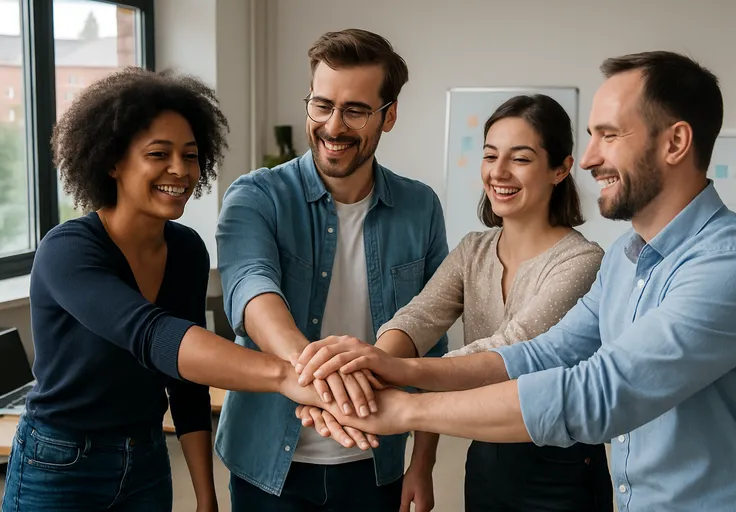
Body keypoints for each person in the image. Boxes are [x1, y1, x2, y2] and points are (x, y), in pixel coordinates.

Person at [294, 51, 736, 512]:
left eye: (609, 135)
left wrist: (402, 409)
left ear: (675, 143)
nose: (587, 159)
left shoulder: (735, 267)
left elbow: (599, 393)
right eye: (590, 136)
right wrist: (390, 368)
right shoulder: (626, 261)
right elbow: (541, 354)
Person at [1, 68, 324, 512]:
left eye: (190, 156)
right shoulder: (68, 251)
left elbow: (185, 384)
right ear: (112, 161)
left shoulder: (186, 250)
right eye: (159, 153)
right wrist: (287, 376)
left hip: (147, 460)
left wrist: (205, 495)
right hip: (60, 463)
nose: (180, 170)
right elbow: (152, 335)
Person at [299, 94, 613, 511]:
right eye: (489, 155)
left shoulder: (583, 261)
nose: (498, 172)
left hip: (560, 466)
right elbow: (418, 318)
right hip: (485, 454)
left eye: (520, 159)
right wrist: (365, 370)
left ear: (560, 168)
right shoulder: (473, 250)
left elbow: (511, 349)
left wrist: (388, 371)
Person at [214, 28, 449, 512]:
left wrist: (422, 463)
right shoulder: (255, 196)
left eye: (356, 110)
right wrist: (322, 376)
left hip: (376, 464)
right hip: (266, 466)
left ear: (390, 115)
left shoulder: (420, 206)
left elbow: (433, 341)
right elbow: (252, 292)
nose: (333, 126)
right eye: (322, 105)